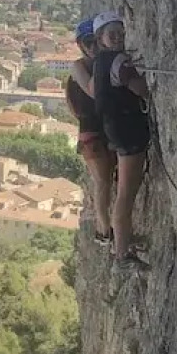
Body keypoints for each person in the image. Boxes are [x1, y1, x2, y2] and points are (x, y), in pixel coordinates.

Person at [87, 10, 151, 270]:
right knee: (126, 193)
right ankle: (122, 255)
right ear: (101, 37)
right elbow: (141, 89)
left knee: (124, 192)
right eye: (112, 34)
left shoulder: (100, 62)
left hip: (115, 129)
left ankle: (122, 245)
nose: (117, 38)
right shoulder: (118, 61)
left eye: (119, 33)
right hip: (128, 130)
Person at [67, 18, 114, 246]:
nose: (94, 47)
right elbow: (94, 92)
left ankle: (104, 228)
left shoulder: (95, 64)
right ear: (82, 45)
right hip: (92, 134)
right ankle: (103, 231)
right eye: (89, 43)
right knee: (102, 182)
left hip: (100, 132)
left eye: (97, 41)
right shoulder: (80, 67)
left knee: (106, 182)